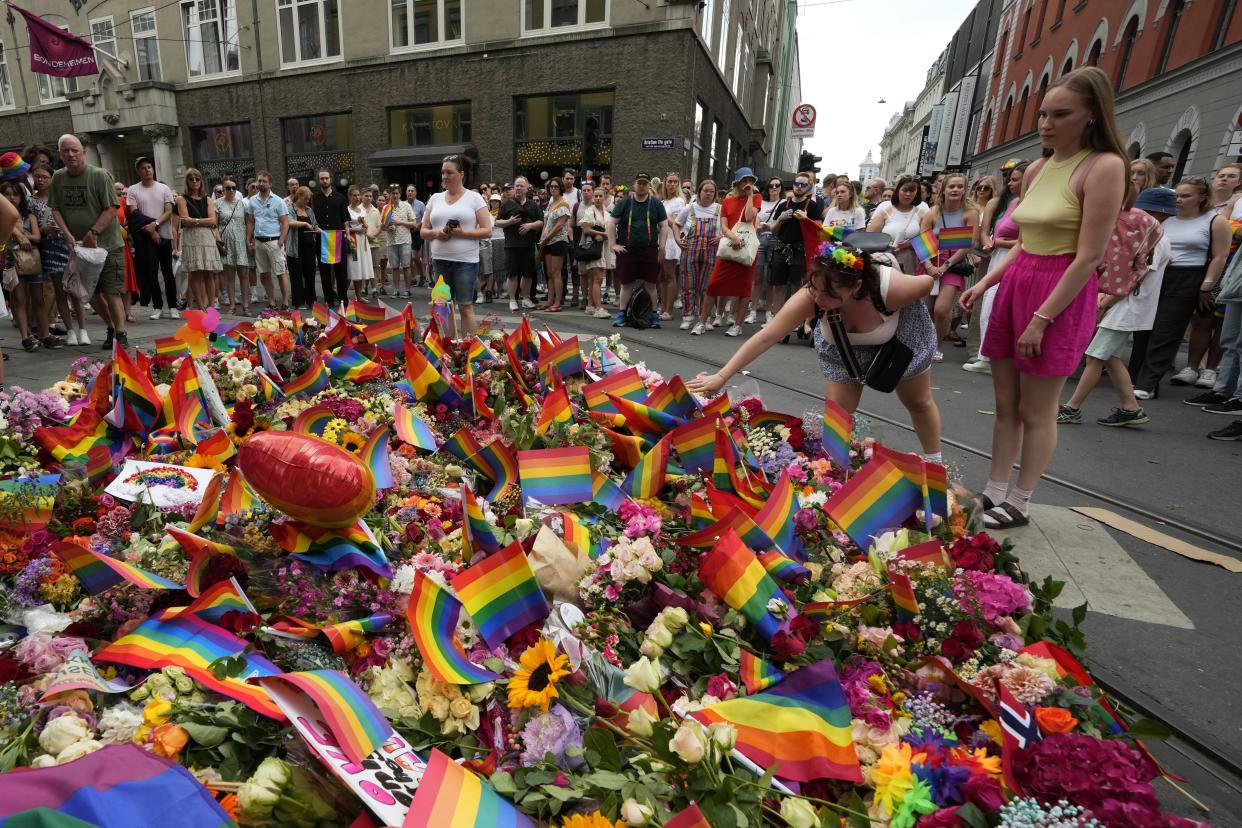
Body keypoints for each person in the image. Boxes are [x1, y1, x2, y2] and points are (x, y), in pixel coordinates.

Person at [958, 66, 1128, 529]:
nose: (1046, 124)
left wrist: (1042, 318)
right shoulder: (1036, 168)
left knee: (1037, 409)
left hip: (1059, 291)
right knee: (1005, 402)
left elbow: (1088, 257)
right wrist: (985, 284)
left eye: (1061, 114)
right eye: (1043, 114)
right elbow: (1028, 244)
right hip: (1018, 283)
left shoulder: (1105, 166)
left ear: (1092, 115)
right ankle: (994, 491)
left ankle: (1021, 499)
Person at [688, 239, 942, 459]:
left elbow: (926, 282)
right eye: (814, 288)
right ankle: (835, 470)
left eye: (829, 294)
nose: (819, 299)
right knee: (838, 414)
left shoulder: (893, 289)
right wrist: (721, 376)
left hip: (899, 335)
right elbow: (767, 336)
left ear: (856, 287)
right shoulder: (813, 296)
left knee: (917, 401)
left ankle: (934, 464)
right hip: (841, 347)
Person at [1058, 186, 1173, 428]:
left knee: (1095, 356)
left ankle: (1072, 408)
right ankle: (1131, 407)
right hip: (1128, 306)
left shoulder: (1153, 238)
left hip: (1128, 307)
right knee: (1109, 357)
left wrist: (1106, 300)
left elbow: (1136, 276)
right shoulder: (1154, 235)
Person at [1129, 177, 1231, 399]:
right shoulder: (1167, 219)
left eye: (1186, 196)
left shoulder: (1214, 221)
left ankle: (1147, 384)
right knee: (1143, 328)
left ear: (1202, 197)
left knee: (1166, 331)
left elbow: (1220, 256)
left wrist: (1206, 286)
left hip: (1188, 277)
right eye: (1177, 195)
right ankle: (1134, 378)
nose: (1179, 200)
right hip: (1156, 275)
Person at [49, 134, 127, 349]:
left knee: (111, 291)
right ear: (60, 154)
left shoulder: (99, 175)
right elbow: (55, 209)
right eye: (66, 150)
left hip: (108, 245)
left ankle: (120, 334)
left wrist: (94, 231)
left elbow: (112, 207)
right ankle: (111, 327)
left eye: (74, 150)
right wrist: (67, 233)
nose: (71, 154)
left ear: (83, 151)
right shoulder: (58, 177)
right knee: (88, 294)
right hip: (81, 250)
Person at [1180, 163, 1242, 388]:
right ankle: (1192, 366)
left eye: (1231, 176)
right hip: (1206, 264)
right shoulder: (1213, 206)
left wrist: (1232, 230)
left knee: (1221, 321)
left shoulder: (1235, 202)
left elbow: (1230, 229)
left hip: (1230, 267)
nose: (1224, 179)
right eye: (1221, 175)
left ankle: (1210, 369)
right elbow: (1228, 227)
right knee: (1202, 317)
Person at [964, 161, 1027, 373]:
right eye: (1008, 177)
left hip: (1018, 260)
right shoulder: (1011, 203)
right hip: (998, 258)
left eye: (1015, 178)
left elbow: (1027, 241)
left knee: (1005, 308)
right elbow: (989, 231)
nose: (1009, 182)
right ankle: (985, 355)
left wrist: (1000, 243)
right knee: (988, 306)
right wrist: (990, 243)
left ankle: (999, 357)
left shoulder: (1031, 206)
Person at [421, 154, 491, 336]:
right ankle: (449, 347)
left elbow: (487, 230)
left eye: (449, 172)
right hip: (440, 260)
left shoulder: (474, 198)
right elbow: (423, 231)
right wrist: (437, 233)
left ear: (461, 174)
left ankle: (468, 348)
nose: (444, 176)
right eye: (443, 172)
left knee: (465, 306)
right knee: (444, 306)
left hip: (465, 261)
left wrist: (462, 233)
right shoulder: (435, 198)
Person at [919, 172, 981, 360]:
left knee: (941, 309)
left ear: (964, 190)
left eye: (959, 186)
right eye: (951, 186)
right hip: (930, 261)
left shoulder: (970, 213)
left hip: (953, 263)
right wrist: (929, 266)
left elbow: (967, 245)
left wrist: (945, 266)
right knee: (927, 308)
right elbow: (923, 242)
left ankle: (935, 346)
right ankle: (923, 344)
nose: (955, 190)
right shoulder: (932, 213)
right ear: (944, 189)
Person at [30, 163, 85, 345]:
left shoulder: (61, 198)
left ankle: (83, 329)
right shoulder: (31, 201)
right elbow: (29, 225)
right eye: (37, 176)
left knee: (75, 289)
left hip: (67, 244)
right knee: (60, 290)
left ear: (52, 178)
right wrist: (42, 230)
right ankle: (70, 331)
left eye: (44, 176)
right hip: (48, 248)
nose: (40, 180)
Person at [2, 180, 59, 351]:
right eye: (7, 194)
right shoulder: (4, 216)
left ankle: (44, 333)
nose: (12, 198)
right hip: (12, 259)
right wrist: (19, 235)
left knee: (38, 298)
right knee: (19, 300)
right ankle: (25, 336)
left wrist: (22, 236)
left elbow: (37, 236)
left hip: (32, 259)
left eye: (15, 194)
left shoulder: (30, 216)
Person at [705, 167, 761, 336]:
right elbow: (723, 226)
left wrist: (750, 195)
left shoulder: (756, 197)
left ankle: (737, 325)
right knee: (713, 284)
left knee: (744, 288)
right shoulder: (727, 201)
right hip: (730, 244)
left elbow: (750, 217)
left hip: (747, 248)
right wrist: (733, 237)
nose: (747, 184)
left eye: (750, 181)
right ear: (737, 183)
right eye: (744, 181)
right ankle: (702, 321)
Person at [607, 173, 668, 328]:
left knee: (651, 285)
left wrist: (662, 246)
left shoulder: (656, 204)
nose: (641, 186)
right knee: (626, 284)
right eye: (639, 183)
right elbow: (612, 223)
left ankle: (654, 315)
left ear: (649, 186)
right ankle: (622, 314)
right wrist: (613, 244)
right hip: (628, 250)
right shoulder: (625, 203)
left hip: (649, 250)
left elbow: (664, 226)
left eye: (644, 183)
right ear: (634, 184)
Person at [765, 171, 824, 322]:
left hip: (800, 250)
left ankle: (793, 320)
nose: (799, 187)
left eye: (803, 184)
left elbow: (819, 229)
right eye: (797, 183)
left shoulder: (813, 206)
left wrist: (806, 219)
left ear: (809, 186)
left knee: (796, 286)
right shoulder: (783, 204)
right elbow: (773, 230)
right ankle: (776, 319)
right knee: (778, 285)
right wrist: (780, 219)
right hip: (781, 248)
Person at [126, 157, 178, 320]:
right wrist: (151, 230)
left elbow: (169, 210)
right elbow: (134, 213)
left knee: (168, 272)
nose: (147, 170)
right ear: (138, 171)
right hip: (146, 237)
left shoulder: (163, 188)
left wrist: (155, 224)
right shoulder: (133, 190)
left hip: (164, 235)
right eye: (143, 168)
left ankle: (173, 306)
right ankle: (157, 306)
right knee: (151, 272)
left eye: (149, 167)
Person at [175, 167, 221, 312]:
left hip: (207, 238)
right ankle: (201, 308)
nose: (194, 182)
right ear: (187, 182)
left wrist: (194, 220)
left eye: (197, 179)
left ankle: (212, 308)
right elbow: (184, 220)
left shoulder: (207, 199)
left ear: (201, 181)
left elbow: (213, 221)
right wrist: (203, 221)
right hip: (191, 239)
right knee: (196, 274)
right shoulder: (181, 199)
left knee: (209, 273)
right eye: (191, 179)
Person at [678, 180, 721, 334]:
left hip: (711, 252)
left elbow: (728, 228)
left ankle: (705, 318)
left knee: (707, 287)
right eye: (705, 191)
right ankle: (688, 317)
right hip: (690, 251)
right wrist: (678, 239)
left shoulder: (719, 209)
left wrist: (721, 237)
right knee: (688, 285)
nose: (708, 194)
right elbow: (676, 225)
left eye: (711, 191)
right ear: (699, 192)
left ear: (715, 194)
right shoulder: (689, 208)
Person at [244, 170, 290, 311]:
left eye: (264, 181)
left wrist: (281, 241)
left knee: (280, 273)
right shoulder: (252, 201)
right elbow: (251, 222)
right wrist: (249, 238)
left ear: (270, 184)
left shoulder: (278, 201)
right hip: (259, 242)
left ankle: (286, 302)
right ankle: (271, 302)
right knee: (264, 274)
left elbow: (285, 222)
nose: (261, 183)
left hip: (274, 241)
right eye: (259, 181)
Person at [497, 176, 543, 312]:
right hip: (511, 245)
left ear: (527, 188)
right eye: (516, 185)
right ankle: (512, 300)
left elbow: (541, 222)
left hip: (528, 244)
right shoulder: (507, 204)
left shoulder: (533, 205)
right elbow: (497, 222)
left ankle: (526, 298)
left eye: (521, 185)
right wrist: (509, 222)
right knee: (512, 274)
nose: (518, 188)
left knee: (528, 274)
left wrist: (530, 226)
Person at [867, 174, 928, 274]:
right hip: (886, 262)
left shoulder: (922, 214)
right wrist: (888, 245)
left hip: (910, 264)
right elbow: (869, 237)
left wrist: (911, 244)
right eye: (904, 190)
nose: (908, 194)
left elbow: (928, 240)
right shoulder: (885, 212)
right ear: (898, 190)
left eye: (911, 191)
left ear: (916, 193)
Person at [745, 177, 785, 326]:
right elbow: (753, 219)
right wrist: (760, 226)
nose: (774, 187)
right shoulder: (760, 201)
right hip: (759, 238)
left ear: (781, 188)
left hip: (775, 240)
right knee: (757, 277)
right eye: (771, 185)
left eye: (777, 185)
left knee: (771, 279)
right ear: (767, 187)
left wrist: (771, 226)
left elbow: (781, 223)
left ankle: (769, 312)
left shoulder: (783, 203)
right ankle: (753, 311)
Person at [312, 169, 350, 304]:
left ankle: (343, 299)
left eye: (326, 178)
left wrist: (348, 235)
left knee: (341, 271)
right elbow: (311, 218)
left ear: (331, 179)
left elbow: (345, 220)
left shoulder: (340, 197)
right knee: (324, 272)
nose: (324, 181)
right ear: (318, 180)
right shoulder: (314, 198)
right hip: (322, 239)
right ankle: (328, 299)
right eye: (322, 178)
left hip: (338, 238)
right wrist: (315, 227)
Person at [215, 178, 252, 315]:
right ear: (223, 190)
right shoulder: (217, 204)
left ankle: (246, 306)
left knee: (244, 274)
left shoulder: (242, 204)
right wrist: (219, 242)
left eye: (233, 188)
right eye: (228, 188)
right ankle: (232, 306)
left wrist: (248, 239)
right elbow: (215, 225)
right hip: (226, 243)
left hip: (241, 242)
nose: (231, 190)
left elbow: (248, 222)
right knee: (229, 276)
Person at [537, 178, 571, 312]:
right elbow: (545, 223)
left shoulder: (564, 203)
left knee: (556, 273)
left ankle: (557, 302)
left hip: (558, 241)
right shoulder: (550, 203)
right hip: (547, 241)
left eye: (556, 187)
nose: (553, 189)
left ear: (561, 188)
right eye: (551, 187)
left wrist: (547, 238)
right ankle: (549, 301)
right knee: (549, 273)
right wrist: (542, 238)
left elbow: (559, 225)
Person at [579, 186, 614, 318]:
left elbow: (611, 231)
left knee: (595, 278)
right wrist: (601, 234)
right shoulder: (589, 211)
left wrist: (606, 235)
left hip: (604, 248)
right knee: (598, 278)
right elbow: (586, 229)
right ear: (593, 198)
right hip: (593, 247)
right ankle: (599, 308)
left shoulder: (608, 214)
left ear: (605, 198)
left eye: (601, 196)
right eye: (596, 196)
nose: (598, 198)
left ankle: (590, 305)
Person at [658, 173, 686, 320]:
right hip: (661, 239)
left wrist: (660, 215)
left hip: (671, 241)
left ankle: (668, 310)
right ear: (665, 183)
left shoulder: (679, 202)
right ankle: (662, 307)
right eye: (670, 182)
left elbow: (674, 224)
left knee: (670, 276)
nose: (672, 185)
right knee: (662, 276)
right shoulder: (663, 201)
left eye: (675, 182)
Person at [287, 186, 319, 308]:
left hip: (309, 247)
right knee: (296, 275)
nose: (307, 201)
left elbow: (315, 224)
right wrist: (305, 224)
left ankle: (311, 300)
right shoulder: (290, 209)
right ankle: (298, 302)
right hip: (295, 247)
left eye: (308, 199)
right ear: (299, 196)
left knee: (310, 274)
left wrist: (318, 230)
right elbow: (290, 222)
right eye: (305, 198)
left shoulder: (309, 210)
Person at [345, 185, 375, 302]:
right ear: (350, 196)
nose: (357, 197)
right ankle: (343, 294)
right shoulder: (347, 210)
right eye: (354, 195)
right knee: (352, 267)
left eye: (358, 195)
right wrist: (356, 230)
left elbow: (364, 225)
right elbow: (345, 226)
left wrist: (365, 227)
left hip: (363, 241)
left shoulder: (362, 210)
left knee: (360, 268)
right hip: (353, 240)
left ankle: (358, 296)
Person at [387, 184, 417, 298]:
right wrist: (387, 227)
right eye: (393, 193)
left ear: (400, 194)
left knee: (406, 266)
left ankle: (407, 290)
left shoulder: (406, 206)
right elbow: (382, 225)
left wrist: (400, 222)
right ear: (390, 194)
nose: (395, 195)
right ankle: (395, 290)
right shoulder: (386, 208)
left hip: (404, 240)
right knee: (394, 267)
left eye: (397, 193)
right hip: (391, 240)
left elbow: (414, 223)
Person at [406, 184, 428, 287]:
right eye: (408, 191)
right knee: (408, 257)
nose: (410, 192)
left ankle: (422, 275)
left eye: (412, 191)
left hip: (417, 232)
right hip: (406, 232)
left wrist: (418, 227)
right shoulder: (403, 204)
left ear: (415, 193)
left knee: (415, 256)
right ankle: (413, 277)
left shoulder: (420, 205)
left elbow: (425, 219)